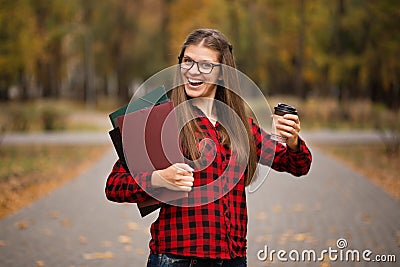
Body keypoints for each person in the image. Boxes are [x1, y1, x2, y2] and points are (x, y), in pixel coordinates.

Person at [105, 29, 312, 267]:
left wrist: (293, 140)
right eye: (188, 62)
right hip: (177, 258)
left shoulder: (241, 126)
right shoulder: (161, 120)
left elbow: (298, 165)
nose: (193, 72)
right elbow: (114, 185)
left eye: (206, 65)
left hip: (232, 259)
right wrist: (158, 179)